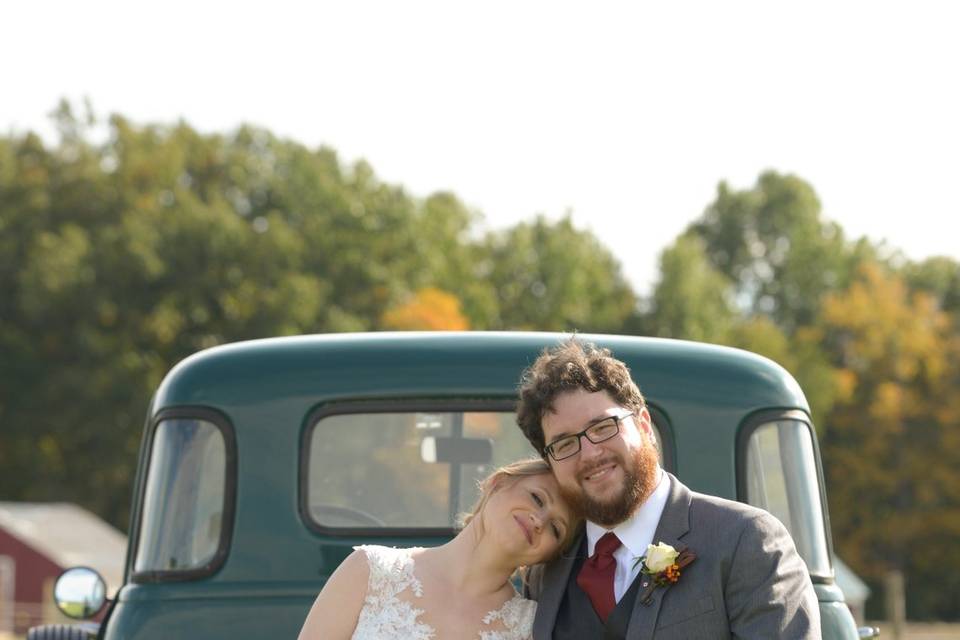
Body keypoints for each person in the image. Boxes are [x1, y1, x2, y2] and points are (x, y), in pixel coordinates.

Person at [516, 339, 821, 639]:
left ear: (644, 425)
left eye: (603, 427)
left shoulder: (746, 541)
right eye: (566, 444)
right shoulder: (545, 569)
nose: (590, 454)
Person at [298, 459, 581, 640]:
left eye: (557, 528)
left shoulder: (530, 628)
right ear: (498, 483)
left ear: (551, 554)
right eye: (536, 498)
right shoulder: (370, 571)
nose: (539, 520)